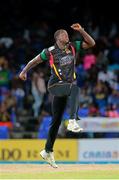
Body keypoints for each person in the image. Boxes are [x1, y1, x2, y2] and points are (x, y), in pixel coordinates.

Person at [19, 23, 95, 168]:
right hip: (55, 85)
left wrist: (82, 31)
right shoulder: (50, 51)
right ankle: (72, 121)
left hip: (65, 87)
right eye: (64, 34)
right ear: (58, 38)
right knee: (75, 89)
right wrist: (24, 71)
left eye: (67, 34)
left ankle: (47, 150)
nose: (67, 35)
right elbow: (33, 61)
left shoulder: (73, 46)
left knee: (56, 121)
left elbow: (91, 43)